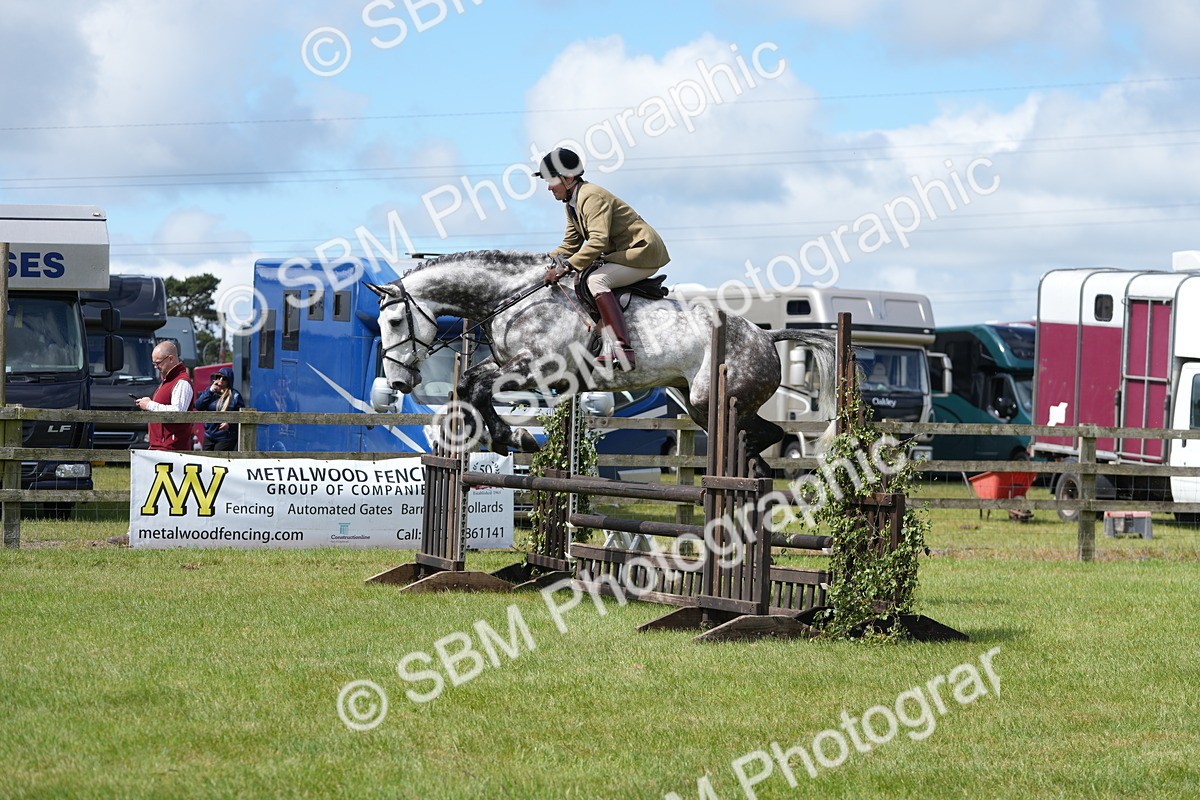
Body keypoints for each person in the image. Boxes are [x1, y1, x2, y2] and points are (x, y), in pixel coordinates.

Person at [534, 147, 670, 371]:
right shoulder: (572, 204)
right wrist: (540, 264)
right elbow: (570, 245)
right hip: (622, 254)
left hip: (642, 252)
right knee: (583, 277)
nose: (549, 187)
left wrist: (565, 266)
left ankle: (622, 350)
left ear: (568, 178)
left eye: (551, 181)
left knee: (596, 280)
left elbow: (598, 241)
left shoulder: (591, 197)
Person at [136, 341, 194, 451]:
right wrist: (148, 404)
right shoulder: (169, 380)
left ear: (170, 359)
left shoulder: (182, 382)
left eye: (158, 363)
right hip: (161, 447)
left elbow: (178, 412)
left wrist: (149, 405)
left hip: (172, 448)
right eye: (154, 363)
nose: (155, 367)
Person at [193, 366, 244, 451]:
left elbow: (242, 416)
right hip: (209, 435)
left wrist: (230, 424)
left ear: (229, 381)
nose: (220, 380)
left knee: (218, 458)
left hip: (225, 437)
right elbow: (198, 406)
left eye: (224, 378)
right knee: (205, 458)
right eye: (218, 377)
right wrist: (210, 391)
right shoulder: (210, 392)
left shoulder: (235, 396)